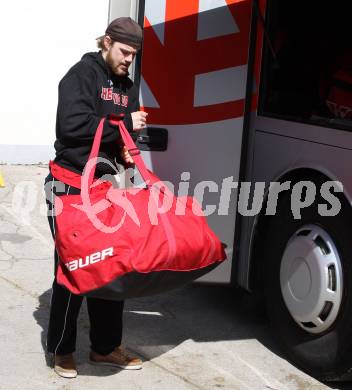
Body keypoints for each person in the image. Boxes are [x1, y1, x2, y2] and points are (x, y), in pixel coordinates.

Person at [44, 17, 148, 379]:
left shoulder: (128, 86)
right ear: (106, 42)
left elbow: (115, 139)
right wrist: (123, 124)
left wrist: (126, 152)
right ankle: (62, 350)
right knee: (74, 267)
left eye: (133, 55)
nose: (127, 61)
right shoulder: (81, 75)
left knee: (110, 267)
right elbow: (70, 127)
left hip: (103, 189)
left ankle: (105, 348)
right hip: (68, 185)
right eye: (123, 52)